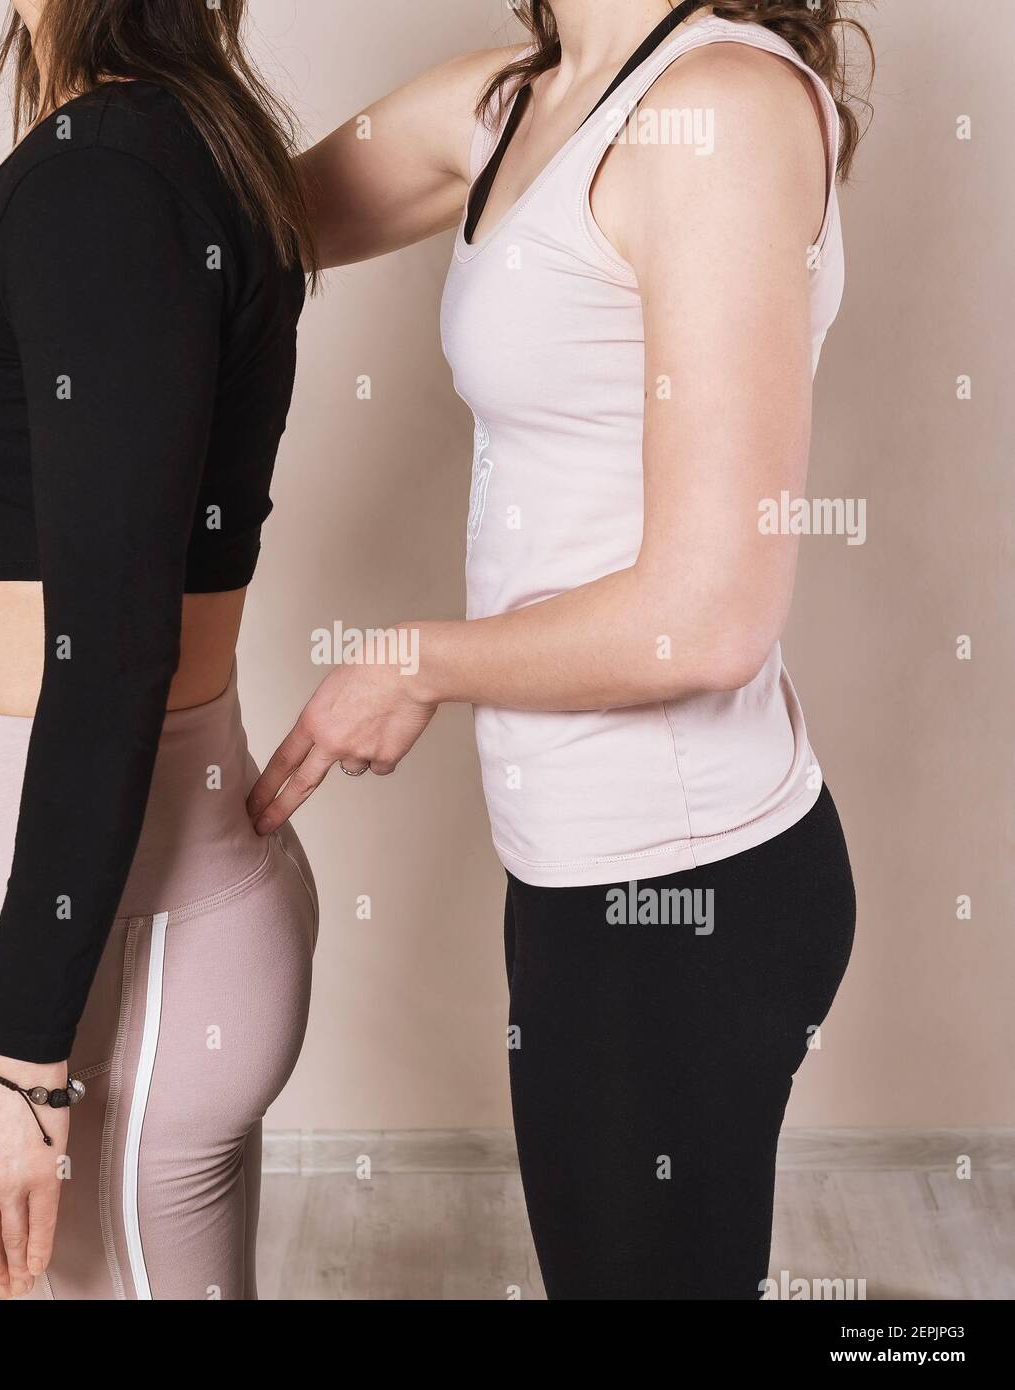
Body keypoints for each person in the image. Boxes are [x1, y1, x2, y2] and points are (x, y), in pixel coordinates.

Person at [249, 0, 868, 1298]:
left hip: (685, 886)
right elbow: (212, 221)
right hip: (573, 871)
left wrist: (416, 657)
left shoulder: (721, 116)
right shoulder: (519, 98)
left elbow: (709, 614)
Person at [0, 0, 317, 1301]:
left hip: (123, 930)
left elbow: (107, 653)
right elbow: (103, 389)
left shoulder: (102, 176)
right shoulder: (175, 146)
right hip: (116, 896)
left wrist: (16, 1058)